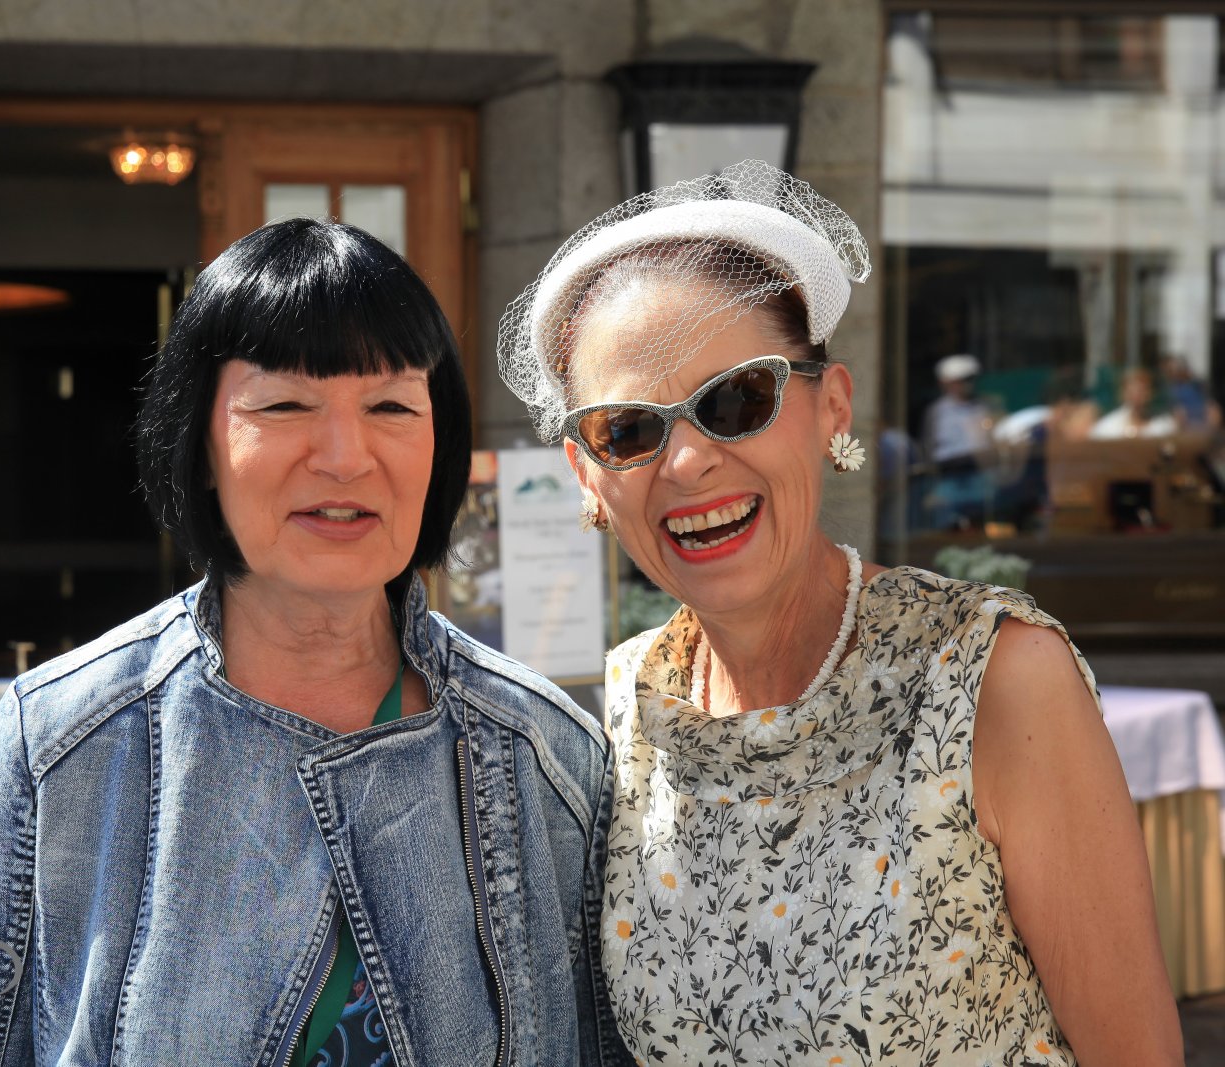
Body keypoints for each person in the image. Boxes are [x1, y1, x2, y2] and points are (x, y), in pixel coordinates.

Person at [497, 160, 1181, 1065]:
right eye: (628, 429)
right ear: (587, 475)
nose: (687, 462)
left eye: (736, 399)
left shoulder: (992, 678)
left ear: (831, 408)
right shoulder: (631, 703)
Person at [0, 220, 628, 1066]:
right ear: (201, 445)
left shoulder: (546, 751)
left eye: (392, 406)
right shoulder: (61, 739)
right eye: (285, 404)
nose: (345, 457)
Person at [921, 352, 994, 529]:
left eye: (968, 380)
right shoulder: (937, 411)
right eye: (959, 380)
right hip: (948, 477)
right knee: (946, 526)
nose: (965, 385)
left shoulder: (984, 407)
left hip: (979, 476)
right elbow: (928, 446)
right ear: (945, 383)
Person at [1089, 366, 1178, 440]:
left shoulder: (1164, 425)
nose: (1137, 396)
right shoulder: (1107, 427)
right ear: (1122, 393)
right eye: (1131, 391)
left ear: (1151, 393)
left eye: (1142, 390)